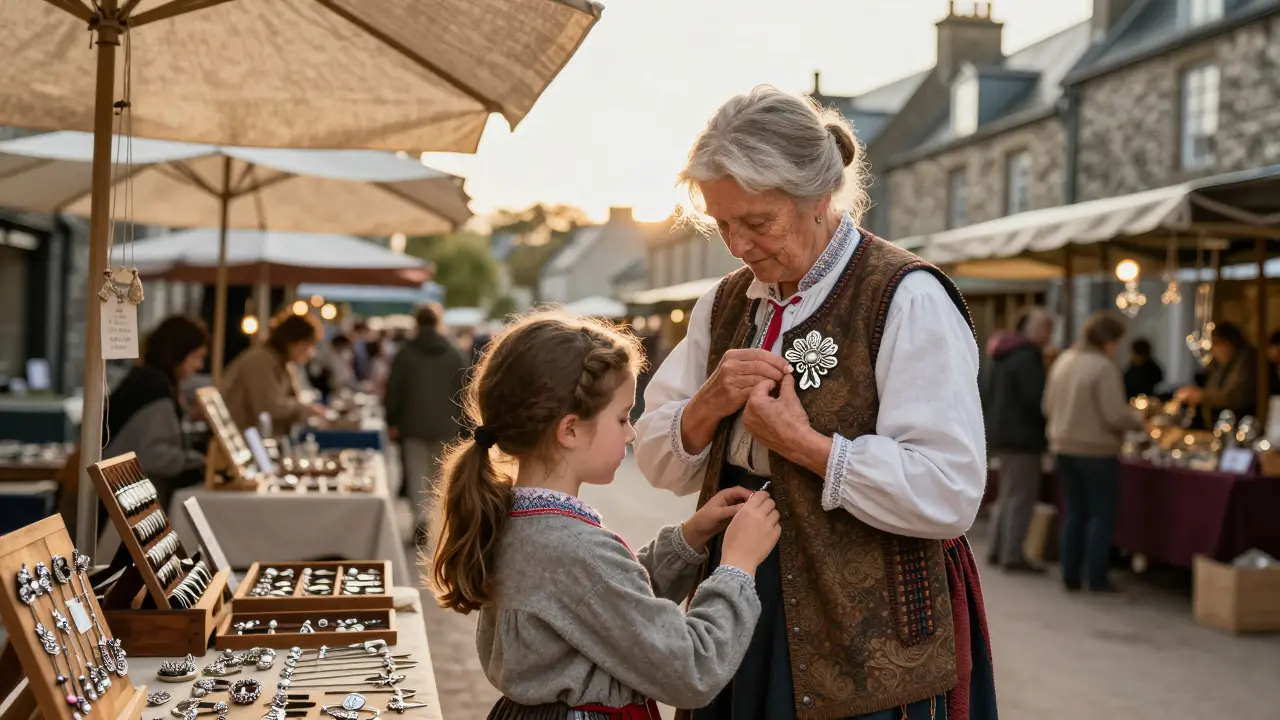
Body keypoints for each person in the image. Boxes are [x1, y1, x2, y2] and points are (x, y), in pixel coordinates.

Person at [635, 86, 994, 720]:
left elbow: (951, 489)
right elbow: (658, 461)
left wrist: (807, 446)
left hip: (872, 635)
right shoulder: (723, 304)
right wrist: (707, 405)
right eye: (722, 224)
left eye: (757, 222)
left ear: (817, 199)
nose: (738, 246)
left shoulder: (907, 297)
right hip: (741, 592)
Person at [431, 311, 781, 717]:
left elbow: (604, 609)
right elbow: (692, 669)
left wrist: (688, 539)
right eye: (621, 417)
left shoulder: (522, 523)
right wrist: (738, 566)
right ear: (570, 430)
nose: (631, 433)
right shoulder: (570, 545)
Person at [1042, 311, 1144, 593]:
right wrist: (1138, 420)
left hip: (1063, 447)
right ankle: (1096, 577)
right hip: (1096, 451)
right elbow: (1114, 414)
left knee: (1074, 512)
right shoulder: (1103, 367)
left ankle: (1070, 573)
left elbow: (1047, 406)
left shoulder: (1064, 361)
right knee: (1100, 515)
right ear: (1109, 340)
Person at [105, 315, 209, 513]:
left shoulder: (145, 381)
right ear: (179, 353)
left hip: (116, 497)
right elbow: (152, 455)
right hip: (118, 505)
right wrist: (199, 460)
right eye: (197, 357)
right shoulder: (155, 390)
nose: (199, 366)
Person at [385, 303, 467, 535]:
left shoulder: (405, 353)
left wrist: (392, 420)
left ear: (417, 323)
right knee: (439, 475)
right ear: (438, 322)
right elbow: (464, 390)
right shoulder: (453, 353)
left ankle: (420, 520)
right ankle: (435, 521)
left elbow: (394, 390)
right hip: (446, 425)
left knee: (415, 475)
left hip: (412, 425)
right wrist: (463, 424)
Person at [983, 308, 1054, 573]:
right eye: (1047, 329)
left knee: (1008, 494)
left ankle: (998, 549)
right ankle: (1012, 554)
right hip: (1022, 436)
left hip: (1003, 432)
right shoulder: (1026, 358)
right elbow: (1038, 399)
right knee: (1020, 496)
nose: (1049, 336)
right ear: (1035, 330)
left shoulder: (1004, 353)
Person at [220, 312, 325, 433]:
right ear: (292, 342)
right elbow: (267, 407)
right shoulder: (261, 361)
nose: (310, 353)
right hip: (241, 438)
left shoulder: (284, 364)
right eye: (307, 346)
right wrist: (306, 409)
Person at [1175, 321, 1258, 427]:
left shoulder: (1247, 362)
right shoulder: (1221, 365)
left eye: (1217, 344)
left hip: (1241, 426)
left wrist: (1201, 396)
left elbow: (1234, 397)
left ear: (1230, 343)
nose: (1214, 350)